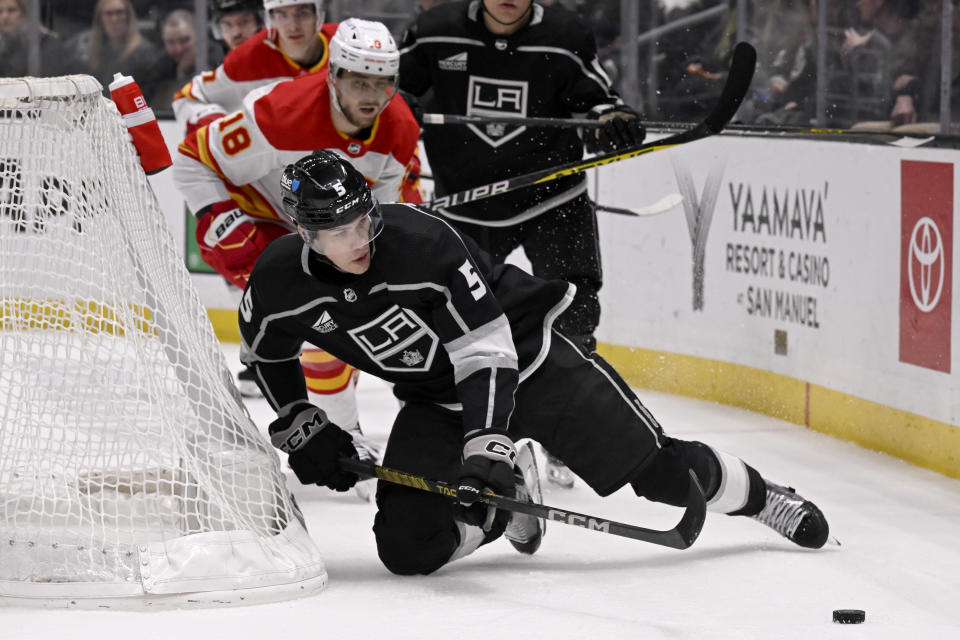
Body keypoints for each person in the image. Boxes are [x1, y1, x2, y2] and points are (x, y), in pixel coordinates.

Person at [238, 150, 831, 576]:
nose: (360, 237)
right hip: (437, 401)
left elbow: (486, 349)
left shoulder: (424, 244)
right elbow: (265, 350)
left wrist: (486, 443)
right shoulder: (278, 280)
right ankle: (498, 514)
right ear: (307, 233)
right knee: (409, 549)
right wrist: (299, 420)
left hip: (533, 364)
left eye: (364, 217)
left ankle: (765, 497)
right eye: (341, 230)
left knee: (660, 477)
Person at [398, 0, 645, 488]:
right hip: (466, 201)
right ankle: (457, 430)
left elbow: (594, 99)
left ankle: (565, 432)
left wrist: (612, 121)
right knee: (448, 317)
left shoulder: (565, 32)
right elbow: (392, 96)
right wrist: (398, 108)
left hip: (551, 197)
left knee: (572, 311)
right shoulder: (433, 31)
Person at [173, 19, 421, 499]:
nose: (372, 95)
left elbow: (381, 213)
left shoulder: (400, 127)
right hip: (258, 219)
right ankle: (335, 440)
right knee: (317, 327)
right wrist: (218, 219)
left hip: (323, 229)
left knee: (351, 314)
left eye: (382, 82)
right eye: (358, 81)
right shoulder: (276, 114)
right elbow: (191, 158)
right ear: (334, 76)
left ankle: (342, 437)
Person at [173, 0, 334, 135]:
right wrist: (220, 130)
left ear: (318, 16)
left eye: (302, 14)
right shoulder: (246, 58)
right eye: (282, 15)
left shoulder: (346, 44)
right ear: (270, 19)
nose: (293, 26)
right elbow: (186, 97)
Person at [71, 0, 161, 100]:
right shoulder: (90, 52)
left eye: (119, 12)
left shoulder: (144, 52)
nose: (114, 19)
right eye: (108, 14)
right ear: (100, 20)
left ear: (129, 16)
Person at [151, 10, 198, 109]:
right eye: (171, 42)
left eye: (184, 40)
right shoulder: (159, 67)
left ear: (198, 37)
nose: (178, 49)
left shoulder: (214, 61)